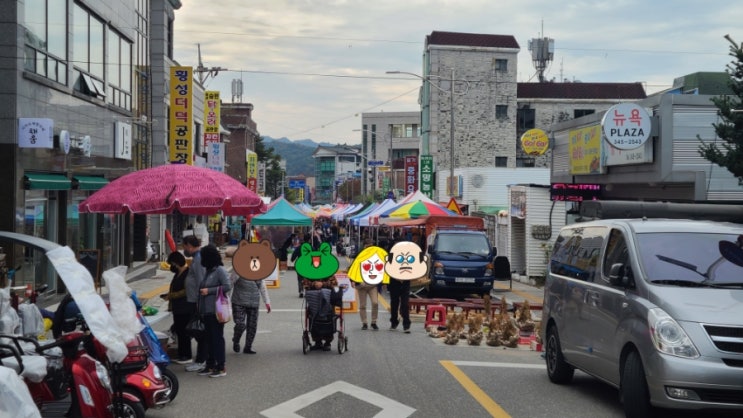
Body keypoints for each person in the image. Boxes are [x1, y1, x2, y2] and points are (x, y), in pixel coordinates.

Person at [197, 244, 231, 378]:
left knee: (217, 338)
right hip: (206, 310)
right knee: (209, 339)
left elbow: (227, 286)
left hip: (216, 311)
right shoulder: (208, 271)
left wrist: (209, 291)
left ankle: (221, 366)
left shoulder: (220, 271)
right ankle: (210, 364)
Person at [347, 245, 389, 331]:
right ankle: (364, 323)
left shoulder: (376, 257)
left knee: (375, 303)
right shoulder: (360, 257)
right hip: (361, 285)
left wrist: (384, 282)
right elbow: (351, 269)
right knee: (363, 305)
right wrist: (352, 280)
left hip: (372, 285)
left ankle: (374, 322)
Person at [182, 235, 208, 372]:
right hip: (195, 299)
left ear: (189, 246)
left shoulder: (198, 259)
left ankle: (201, 360)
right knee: (198, 330)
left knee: (199, 330)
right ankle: (202, 358)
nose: (184, 250)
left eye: (184, 247)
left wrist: (199, 301)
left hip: (197, 301)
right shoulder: (197, 258)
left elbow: (201, 281)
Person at [230, 271, 271, 354]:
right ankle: (236, 340)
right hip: (238, 301)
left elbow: (262, 286)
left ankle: (248, 347)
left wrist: (267, 302)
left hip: (254, 302)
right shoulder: (238, 270)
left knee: (252, 326)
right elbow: (229, 284)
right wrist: (226, 299)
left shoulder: (259, 271)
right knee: (240, 325)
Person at [163, 251, 194, 364]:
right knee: (179, 332)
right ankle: (181, 354)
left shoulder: (187, 274)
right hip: (177, 308)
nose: (171, 266)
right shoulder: (178, 274)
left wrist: (171, 295)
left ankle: (186, 355)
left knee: (184, 332)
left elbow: (186, 291)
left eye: (172, 264)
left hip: (185, 307)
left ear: (176, 263)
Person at [303, 278, 342, 351]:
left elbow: (335, 283)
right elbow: (305, 284)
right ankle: (317, 342)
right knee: (313, 319)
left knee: (328, 319)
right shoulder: (309, 274)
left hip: (328, 301)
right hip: (313, 301)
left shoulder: (329, 274)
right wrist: (314, 284)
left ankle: (328, 342)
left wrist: (323, 284)